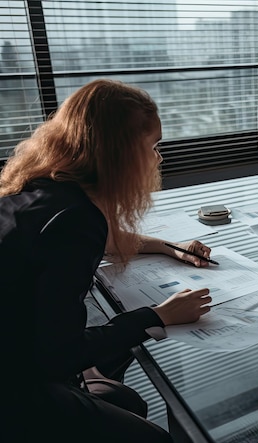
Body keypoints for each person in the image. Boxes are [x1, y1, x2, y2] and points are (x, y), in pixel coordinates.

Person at [0, 79, 214, 442]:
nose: (158, 158)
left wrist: (166, 246)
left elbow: (92, 242)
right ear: (121, 153)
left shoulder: (43, 187)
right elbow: (59, 355)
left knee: (123, 394)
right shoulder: (75, 220)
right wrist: (158, 316)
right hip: (16, 389)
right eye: (153, 146)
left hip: (18, 352)